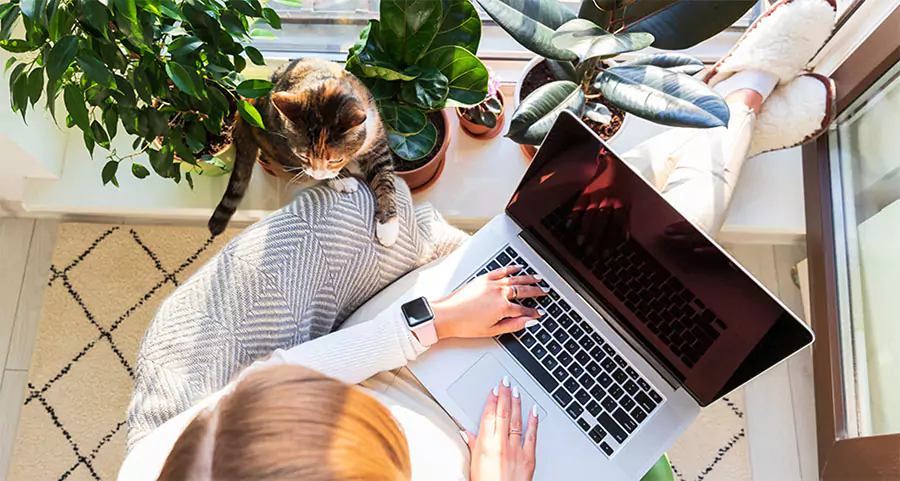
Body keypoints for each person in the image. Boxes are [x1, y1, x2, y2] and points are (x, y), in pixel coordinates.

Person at [119, 0, 837, 479]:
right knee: (644, 274)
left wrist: (429, 324)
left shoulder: (173, 460)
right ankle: (737, 102)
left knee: (593, 247)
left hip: (403, 355)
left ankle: (735, 103)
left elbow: (274, 371)